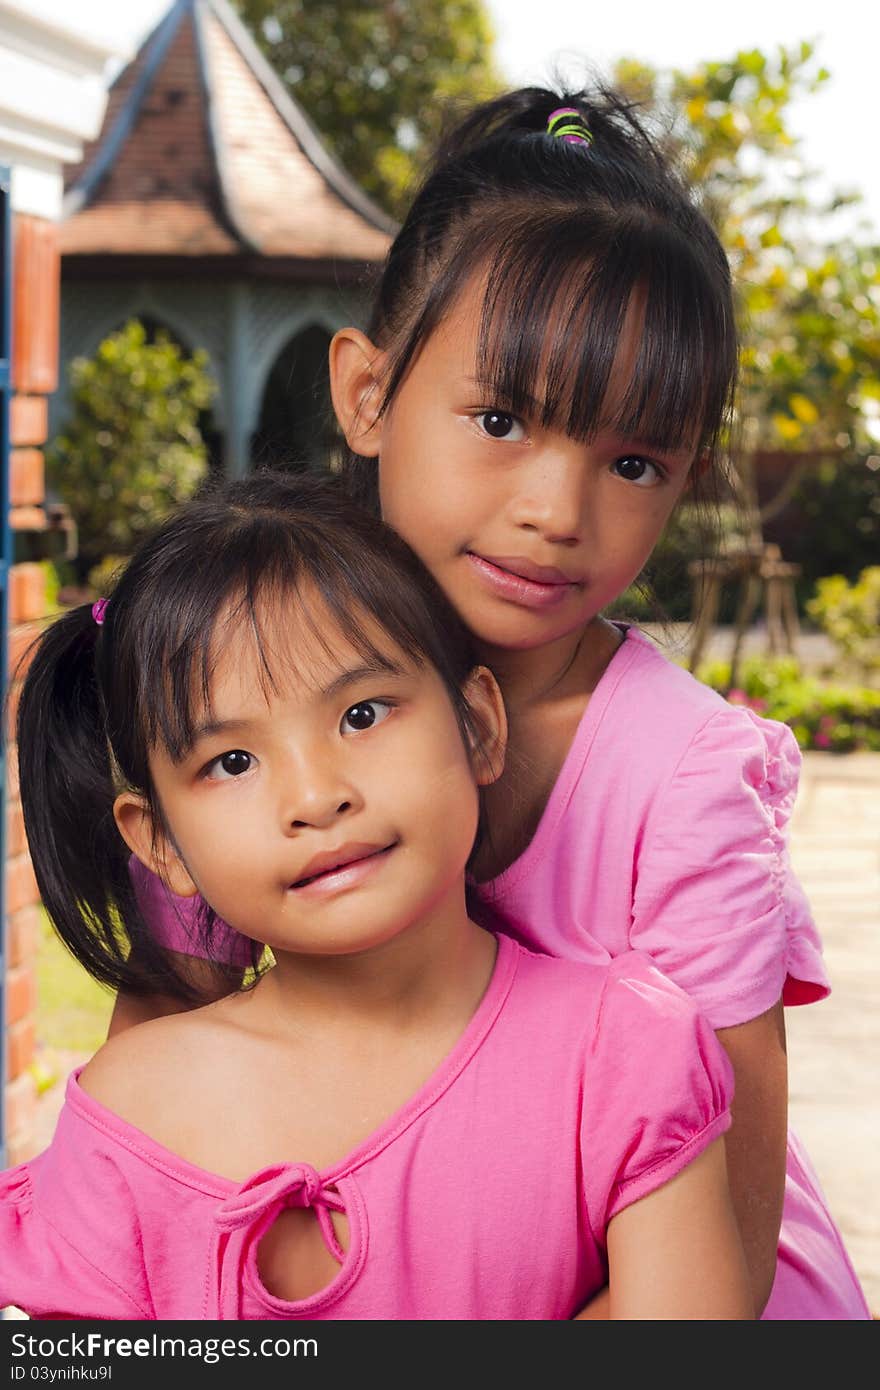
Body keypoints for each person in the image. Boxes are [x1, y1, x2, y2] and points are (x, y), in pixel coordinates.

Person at [115, 86, 871, 1320]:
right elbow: (153, 1092)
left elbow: (720, 1270)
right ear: (366, 394)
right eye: (502, 419)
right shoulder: (253, 707)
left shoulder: (680, 781)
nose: (558, 511)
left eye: (633, 461)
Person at [1, 471, 752, 1321]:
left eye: (362, 714)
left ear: (478, 725)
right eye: (232, 763)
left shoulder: (622, 1056)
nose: (316, 797)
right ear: (160, 843)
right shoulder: (130, 1106)